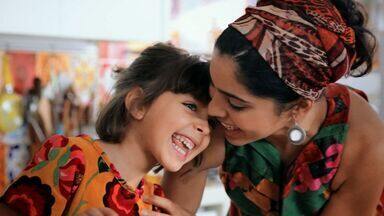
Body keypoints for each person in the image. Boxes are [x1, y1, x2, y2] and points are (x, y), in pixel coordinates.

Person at [142, 0, 384, 215]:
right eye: (213, 89)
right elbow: (175, 196)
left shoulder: (365, 144)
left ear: (298, 108)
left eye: (236, 104)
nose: (213, 109)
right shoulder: (219, 116)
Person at [0, 43, 211, 216]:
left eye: (212, 121)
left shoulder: (154, 200)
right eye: (191, 106)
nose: (204, 127)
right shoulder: (71, 158)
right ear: (139, 104)